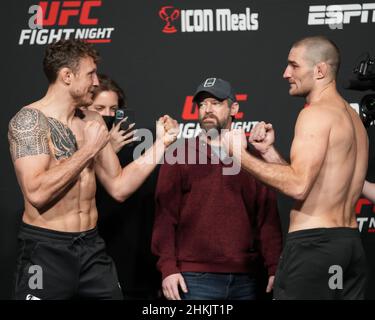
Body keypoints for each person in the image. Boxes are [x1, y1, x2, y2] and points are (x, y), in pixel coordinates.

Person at [8, 39, 178, 300]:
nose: (96, 82)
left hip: (91, 249)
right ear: (67, 76)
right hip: (45, 250)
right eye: (90, 73)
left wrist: (161, 144)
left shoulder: (92, 119)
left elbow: (119, 187)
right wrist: (89, 149)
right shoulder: (30, 121)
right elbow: (37, 193)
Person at [223, 36, 369, 299]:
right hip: (348, 246)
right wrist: (267, 152)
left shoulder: (314, 114)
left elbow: (298, 186)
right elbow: (314, 183)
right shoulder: (353, 120)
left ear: (320, 70)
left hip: (315, 249)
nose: (285, 73)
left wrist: (238, 155)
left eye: (294, 66)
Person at [151, 77, 282, 300]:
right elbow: (165, 218)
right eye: (201, 104)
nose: (207, 110)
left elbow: (267, 219)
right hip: (193, 278)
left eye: (215, 102)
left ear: (234, 108)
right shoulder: (179, 155)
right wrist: (168, 268)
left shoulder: (251, 158)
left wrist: (275, 268)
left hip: (247, 279)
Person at [80, 74, 135, 153]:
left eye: (113, 109)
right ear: (83, 108)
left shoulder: (123, 141)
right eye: (99, 108)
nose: (108, 114)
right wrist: (111, 149)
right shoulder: (74, 135)